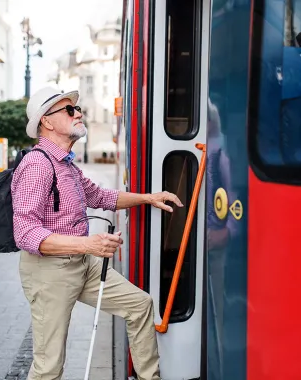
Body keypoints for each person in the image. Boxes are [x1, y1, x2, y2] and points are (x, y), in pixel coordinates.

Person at [11, 87, 182, 380]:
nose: (78, 113)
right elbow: (25, 233)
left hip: (81, 264)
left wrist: (147, 198)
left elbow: (101, 196)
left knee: (140, 305)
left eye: (77, 109)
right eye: (69, 110)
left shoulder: (66, 164)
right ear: (47, 122)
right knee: (49, 365)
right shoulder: (37, 165)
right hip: (49, 273)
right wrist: (89, 244)